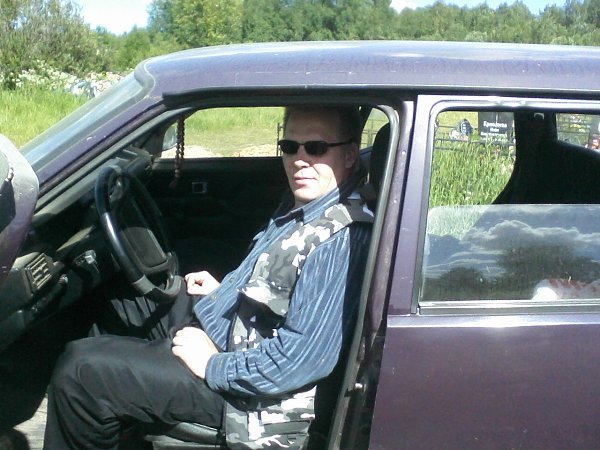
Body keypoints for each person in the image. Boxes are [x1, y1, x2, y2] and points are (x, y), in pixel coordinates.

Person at [43, 105, 373, 450]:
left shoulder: (338, 240)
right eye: (290, 147)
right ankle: (116, 421)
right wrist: (224, 292)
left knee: (79, 372)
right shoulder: (308, 205)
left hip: (253, 399)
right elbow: (277, 280)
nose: (300, 160)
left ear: (350, 155)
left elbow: (300, 361)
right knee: (120, 300)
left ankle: (99, 403)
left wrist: (212, 365)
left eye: (316, 148)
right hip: (235, 337)